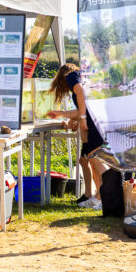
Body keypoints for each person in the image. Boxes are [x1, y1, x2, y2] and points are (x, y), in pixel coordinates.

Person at [46, 62, 108, 210]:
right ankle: (96, 196)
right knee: (88, 160)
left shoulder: (72, 75)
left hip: (93, 125)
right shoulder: (80, 79)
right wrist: (71, 118)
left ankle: (103, 196)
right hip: (93, 123)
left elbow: (80, 96)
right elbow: (81, 109)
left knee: (96, 160)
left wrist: (82, 118)